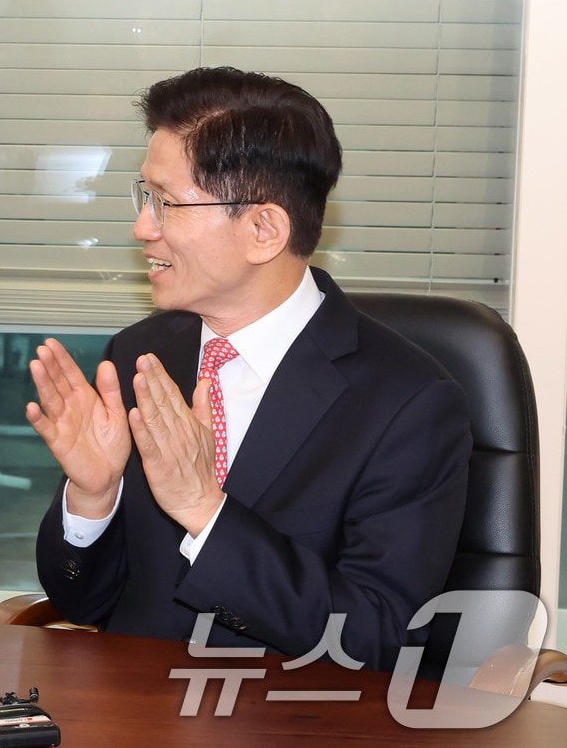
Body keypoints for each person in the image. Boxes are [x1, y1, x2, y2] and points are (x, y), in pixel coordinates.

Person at [27, 67, 470, 672]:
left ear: (263, 230)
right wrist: (93, 497)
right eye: (145, 196)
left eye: (167, 203)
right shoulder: (139, 356)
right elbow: (85, 601)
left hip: (289, 712)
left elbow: (378, 639)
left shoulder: (407, 404)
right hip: (130, 707)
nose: (142, 228)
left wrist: (204, 510)